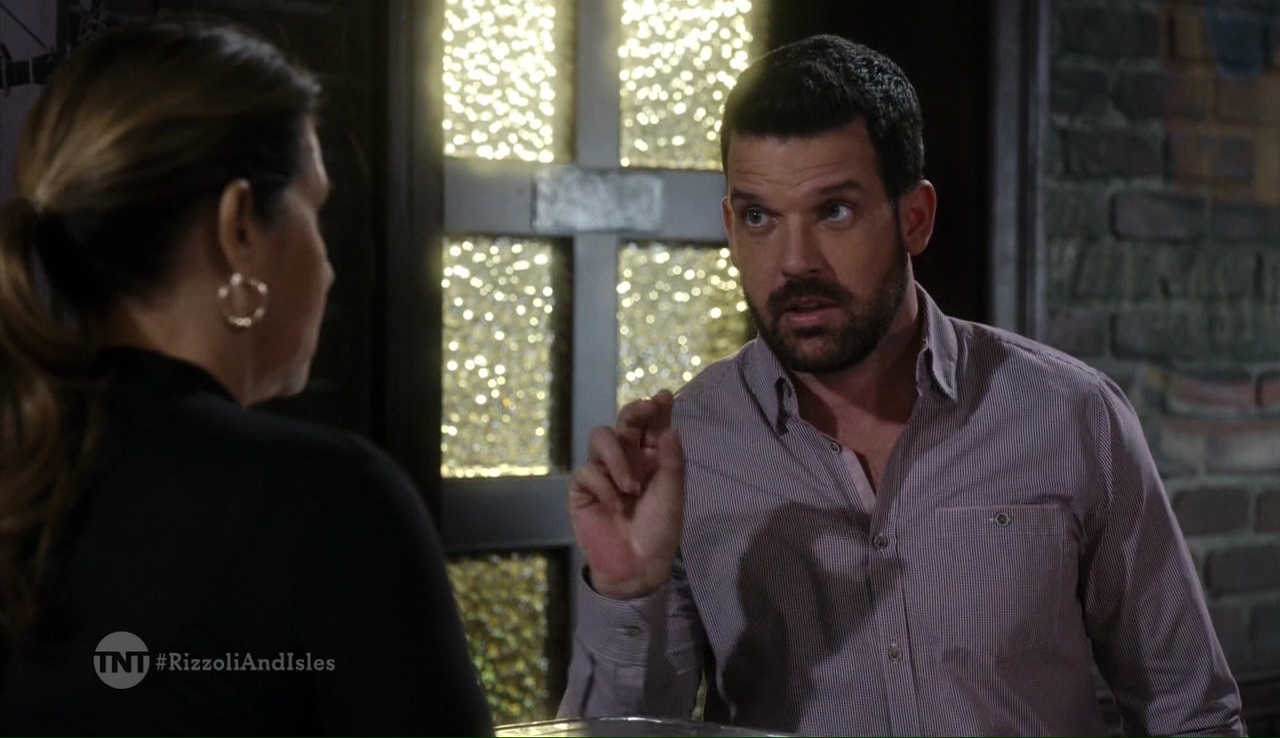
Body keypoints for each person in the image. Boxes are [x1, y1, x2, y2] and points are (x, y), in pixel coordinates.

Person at [559, 34, 1244, 737]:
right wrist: (628, 590)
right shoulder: (689, 450)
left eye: (834, 211)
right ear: (732, 228)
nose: (795, 262)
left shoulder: (1069, 415)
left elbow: (1191, 714)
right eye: (761, 217)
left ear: (914, 218)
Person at [0, 18, 493, 736]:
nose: (328, 267)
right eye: (313, 209)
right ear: (238, 225)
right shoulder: (329, 506)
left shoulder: (24, 480)